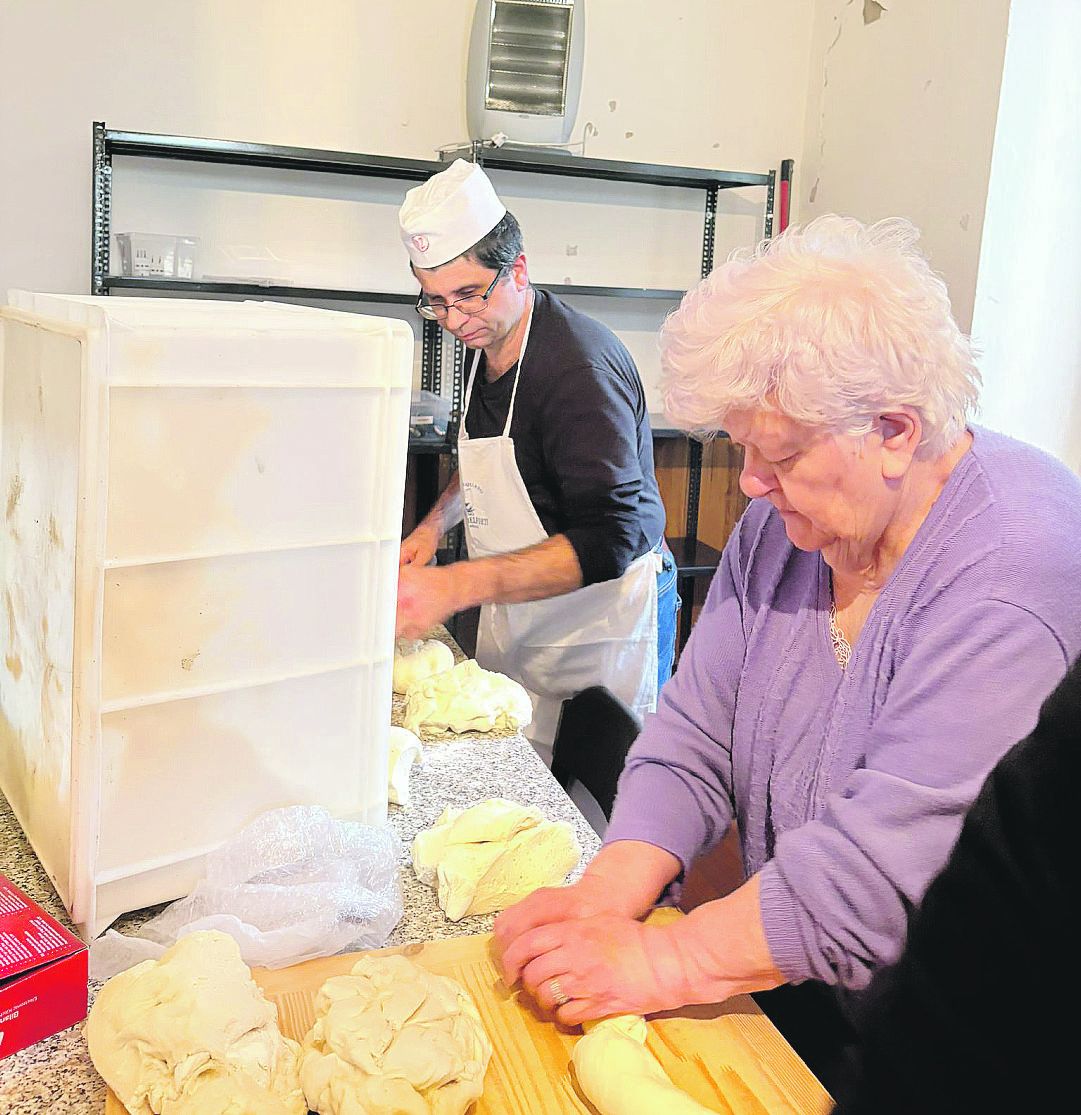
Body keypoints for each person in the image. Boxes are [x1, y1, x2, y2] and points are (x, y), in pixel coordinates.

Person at [493, 215, 1081, 1092]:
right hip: (800, 970)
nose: (751, 483)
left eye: (780, 454)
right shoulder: (787, 525)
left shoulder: (1012, 573)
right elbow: (695, 732)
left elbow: (883, 872)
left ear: (893, 431)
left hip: (952, 1044)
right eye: (743, 448)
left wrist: (665, 961)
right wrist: (606, 892)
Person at [395, 160, 676, 745]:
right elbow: (495, 463)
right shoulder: (487, 340)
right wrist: (433, 527)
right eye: (436, 302)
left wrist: (457, 586)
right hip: (527, 612)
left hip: (600, 626)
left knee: (596, 792)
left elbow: (614, 536)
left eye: (467, 295)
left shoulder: (578, 370)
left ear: (517, 269)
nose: (454, 320)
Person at [832, 653, 1081, 1113]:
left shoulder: (1016, 625)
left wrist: (687, 961)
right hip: (844, 1017)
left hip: (857, 1009)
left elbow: (868, 869)